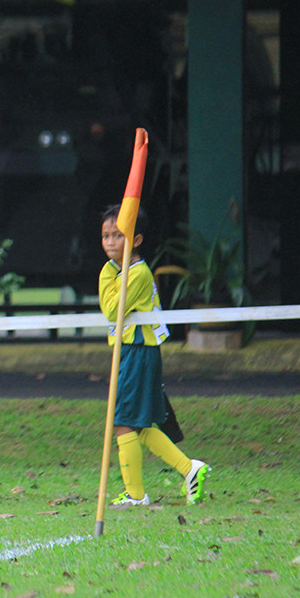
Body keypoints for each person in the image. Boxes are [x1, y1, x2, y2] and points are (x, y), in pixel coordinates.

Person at [99, 205, 210, 507]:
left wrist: (108, 272)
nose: (110, 242)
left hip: (139, 352)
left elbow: (111, 309)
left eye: (117, 235)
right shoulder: (118, 271)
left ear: (136, 240)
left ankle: (135, 495)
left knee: (123, 421)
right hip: (128, 352)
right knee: (140, 423)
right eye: (105, 236)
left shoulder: (136, 273)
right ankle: (190, 470)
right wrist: (110, 272)